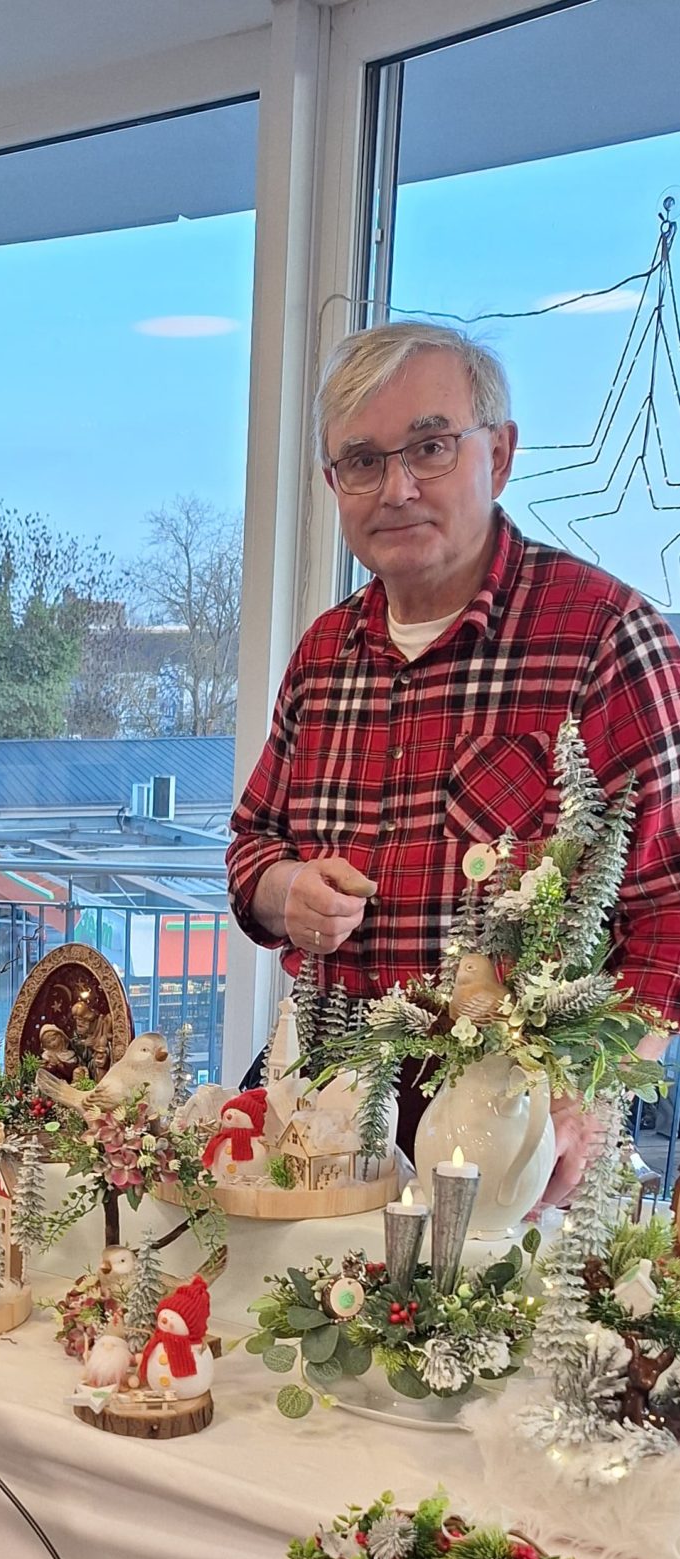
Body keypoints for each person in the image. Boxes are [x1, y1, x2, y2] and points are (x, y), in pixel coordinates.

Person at [227, 319, 680, 1188]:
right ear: (332, 483)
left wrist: (585, 1097)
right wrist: (286, 891)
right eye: (362, 461)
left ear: (498, 456)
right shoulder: (323, 655)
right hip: (321, 1095)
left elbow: (668, 910)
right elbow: (252, 845)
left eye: (429, 448)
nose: (396, 488)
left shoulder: (602, 639)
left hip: (508, 1110)